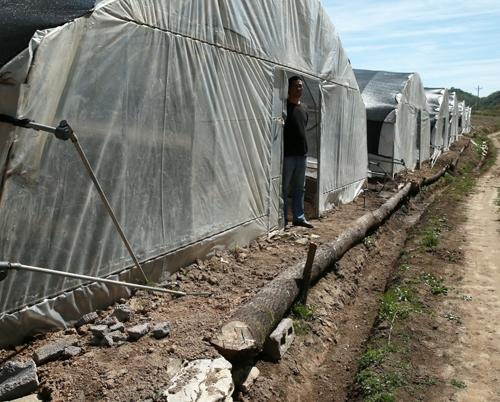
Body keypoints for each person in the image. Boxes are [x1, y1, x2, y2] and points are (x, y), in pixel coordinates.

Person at [282, 76, 314, 229]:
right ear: (288, 88)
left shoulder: (304, 108)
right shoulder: (284, 107)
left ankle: (298, 218)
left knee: (299, 187)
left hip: (302, 155)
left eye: (301, 86)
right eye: (295, 86)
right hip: (287, 155)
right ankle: (282, 219)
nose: (298, 88)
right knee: (283, 187)